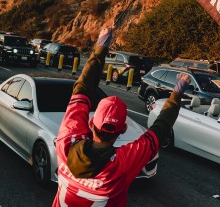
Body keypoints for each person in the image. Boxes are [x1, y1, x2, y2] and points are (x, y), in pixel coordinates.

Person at [52, 27, 190, 206]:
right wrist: (177, 93)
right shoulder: (120, 166)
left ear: (92, 122)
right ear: (123, 129)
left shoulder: (65, 143)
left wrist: (101, 48)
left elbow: (81, 90)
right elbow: (159, 130)